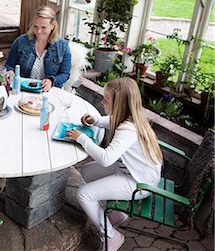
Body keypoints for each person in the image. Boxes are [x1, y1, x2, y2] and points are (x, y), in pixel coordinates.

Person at [66, 77, 162, 251]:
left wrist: (82, 139)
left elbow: (105, 158)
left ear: (119, 106)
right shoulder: (132, 117)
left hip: (139, 183)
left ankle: (111, 236)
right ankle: (113, 214)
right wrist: (95, 120)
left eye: (106, 100)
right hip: (134, 171)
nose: (103, 102)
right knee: (87, 171)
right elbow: (112, 120)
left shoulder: (127, 130)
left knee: (84, 194)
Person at [5, 6, 71, 92]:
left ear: (53, 26)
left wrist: (51, 81)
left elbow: (65, 74)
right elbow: (9, 65)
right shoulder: (20, 42)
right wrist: (10, 71)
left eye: (43, 27)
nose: (38, 31)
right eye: (35, 26)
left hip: (49, 91)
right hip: (22, 89)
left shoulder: (63, 46)